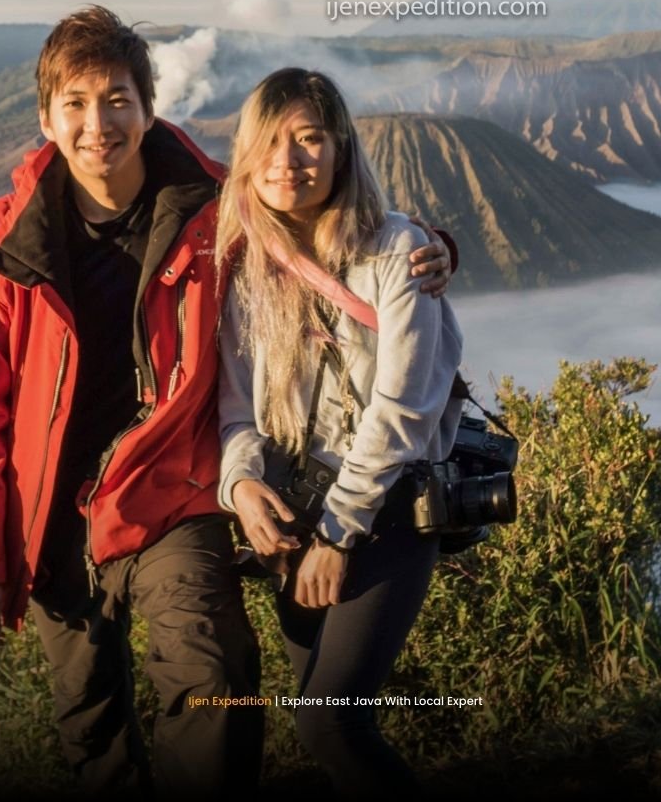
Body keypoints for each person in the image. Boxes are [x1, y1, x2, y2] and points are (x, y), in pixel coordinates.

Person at [0, 7, 451, 796]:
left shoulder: (218, 210)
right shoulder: (0, 244)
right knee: (91, 726)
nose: (96, 123)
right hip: (48, 516)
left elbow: (323, 230)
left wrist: (431, 248)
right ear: (45, 118)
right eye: (73, 103)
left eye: (116, 100)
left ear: (149, 109)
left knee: (215, 684)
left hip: (170, 494)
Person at [216, 68, 464, 795]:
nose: (288, 161)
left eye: (309, 139)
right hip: (295, 509)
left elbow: (403, 409)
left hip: (381, 513)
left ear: (341, 150)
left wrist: (337, 536)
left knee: (333, 722)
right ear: (246, 154)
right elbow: (236, 409)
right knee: (316, 720)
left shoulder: (398, 253)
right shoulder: (242, 271)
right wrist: (242, 486)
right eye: (271, 142)